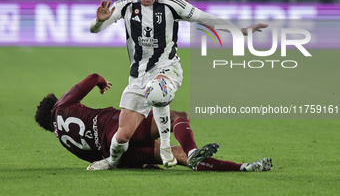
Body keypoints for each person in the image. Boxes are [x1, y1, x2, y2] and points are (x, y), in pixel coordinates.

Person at [89, 0, 268, 169]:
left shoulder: (171, 4)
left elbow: (204, 18)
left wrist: (240, 30)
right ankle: (112, 162)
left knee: (158, 91)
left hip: (167, 69)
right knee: (122, 136)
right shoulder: (126, 5)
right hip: (138, 77)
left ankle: (166, 148)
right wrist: (97, 21)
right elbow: (95, 29)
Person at [35, 73, 273, 172]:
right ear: (53, 104)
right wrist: (100, 83)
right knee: (176, 116)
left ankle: (242, 168)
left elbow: (96, 158)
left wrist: (138, 164)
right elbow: (93, 77)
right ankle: (225, 163)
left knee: (174, 155)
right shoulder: (62, 106)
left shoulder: (65, 142)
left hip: (119, 155)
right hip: (118, 126)